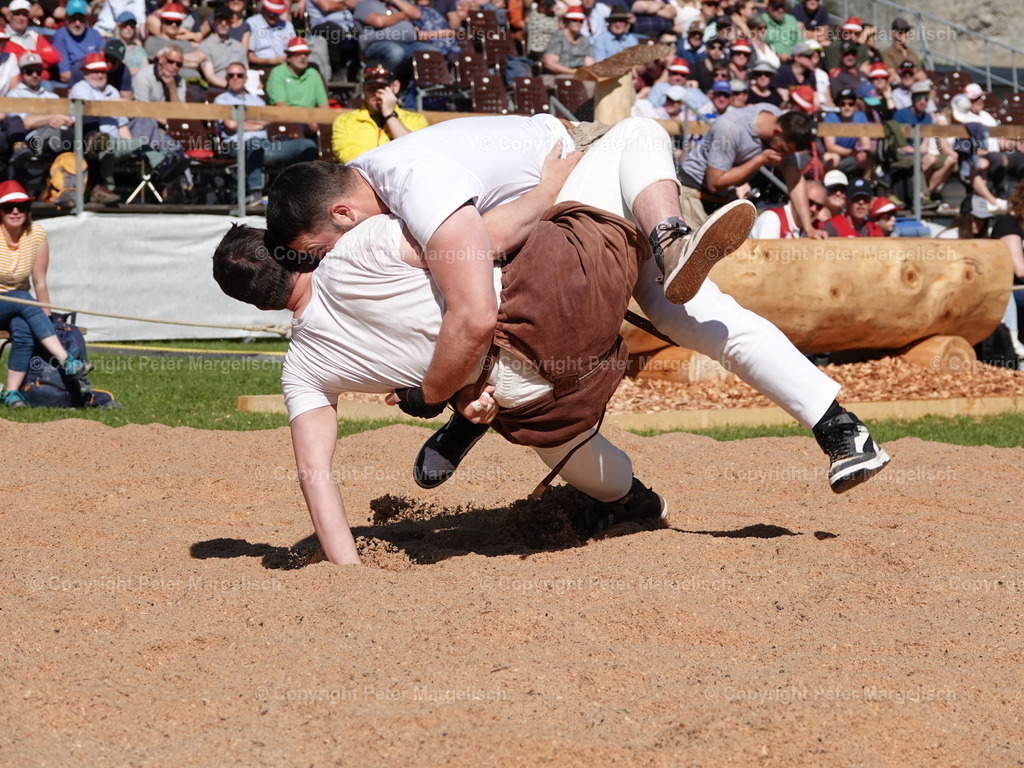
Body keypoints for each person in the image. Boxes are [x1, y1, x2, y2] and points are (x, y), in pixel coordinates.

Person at [264, 115, 889, 494]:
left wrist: (429, 397)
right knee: (684, 314)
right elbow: (481, 269)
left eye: (321, 246)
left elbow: (484, 275)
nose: (328, 260)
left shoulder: (409, 184)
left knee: (643, 147)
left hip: (585, 171)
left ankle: (837, 427)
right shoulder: (384, 198)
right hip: (552, 219)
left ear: (342, 212)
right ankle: (840, 427)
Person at [216, 153, 676, 565]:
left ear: (259, 306)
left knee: (556, 437)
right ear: (294, 255)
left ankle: (635, 501)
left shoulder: (301, 371)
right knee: (623, 144)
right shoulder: (362, 241)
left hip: (521, 392)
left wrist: (347, 569)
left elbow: (315, 477)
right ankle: (673, 243)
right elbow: (482, 238)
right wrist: (546, 188)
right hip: (550, 307)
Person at [0, 181, 92, 408]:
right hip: (11, 302)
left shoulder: (37, 235)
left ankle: (11, 393)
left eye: (21, 206)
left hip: (21, 306)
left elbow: (40, 282)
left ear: (28, 210)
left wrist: (47, 319)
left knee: (23, 328)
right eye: (8, 206)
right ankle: (66, 360)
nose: (15, 211)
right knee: (21, 298)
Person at [678, 105, 826, 241]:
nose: (784, 156)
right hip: (694, 195)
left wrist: (809, 229)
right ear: (777, 132)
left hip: (723, 199)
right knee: (692, 261)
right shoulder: (731, 128)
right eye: (784, 150)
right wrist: (760, 160)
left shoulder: (785, 126)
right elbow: (715, 183)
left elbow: (795, 180)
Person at [69, 53, 188, 204]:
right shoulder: (80, 88)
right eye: (95, 71)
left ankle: (163, 167)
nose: (100, 75)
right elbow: (91, 109)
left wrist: (131, 146)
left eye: (103, 71)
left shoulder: (113, 90)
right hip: (90, 141)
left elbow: (122, 125)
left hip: (116, 139)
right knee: (104, 143)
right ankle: (105, 189)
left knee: (141, 143)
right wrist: (115, 102)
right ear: (85, 73)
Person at [213, 61, 318, 204]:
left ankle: (301, 190)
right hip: (235, 146)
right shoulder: (221, 100)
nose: (235, 78)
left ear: (246, 79)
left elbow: (269, 119)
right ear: (226, 78)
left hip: (265, 145)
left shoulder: (257, 100)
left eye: (239, 75)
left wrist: (246, 123)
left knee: (307, 144)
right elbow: (232, 124)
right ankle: (254, 192)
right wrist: (258, 125)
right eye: (231, 75)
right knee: (254, 144)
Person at [330, 62, 428, 163]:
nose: (377, 94)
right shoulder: (345, 121)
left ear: (395, 87)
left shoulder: (417, 120)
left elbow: (417, 152)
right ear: (363, 90)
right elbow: (351, 159)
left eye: (382, 87)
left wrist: (390, 115)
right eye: (371, 89)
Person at [892, 80, 956, 203]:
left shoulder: (927, 117)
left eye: (926, 98)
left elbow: (925, 144)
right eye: (919, 98)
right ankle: (920, 196)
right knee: (929, 159)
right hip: (903, 155)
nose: (923, 101)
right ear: (912, 99)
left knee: (950, 159)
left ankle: (925, 194)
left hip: (921, 154)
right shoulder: (900, 115)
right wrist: (917, 150)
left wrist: (922, 150)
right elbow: (896, 145)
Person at [8, 51, 73, 159]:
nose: (34, 75)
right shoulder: (14, 94)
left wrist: (63, 119)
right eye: (29, 71)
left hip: (57, 135)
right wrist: (54, 117)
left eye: (38, 71)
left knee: (76, 135)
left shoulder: (52, 96)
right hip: (31, 139)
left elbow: (68, 119)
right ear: (22, 73)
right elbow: (26, 123)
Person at [352, 0, 436, 74]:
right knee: (396, 52)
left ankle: (421, 88)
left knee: (431, 52)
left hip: (409, 44)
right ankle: (389, 82)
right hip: (377, 45)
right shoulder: (365, 4)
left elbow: (416, 14)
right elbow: (378, 22)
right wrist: (403, 15)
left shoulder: (399, 3)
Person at [144, 2, 215, 83]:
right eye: (169, 21)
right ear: (162, 22)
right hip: (174, 84)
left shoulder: (185, 42)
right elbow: (160, 62)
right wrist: (191, 61)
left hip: (198, 83)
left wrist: (171, 60)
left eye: (177, 23)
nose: (174, 25)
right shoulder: (153, 41)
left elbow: (201, 58)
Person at [4, 0, 61, 83]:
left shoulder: (35, 35)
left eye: (25, 14)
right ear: (9, 16)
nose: (21, 17)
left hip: (41, 82)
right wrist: (39, 59)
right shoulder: (2, 36)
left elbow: (54, 57)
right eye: (17, 14)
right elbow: (7, 61)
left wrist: (24, 55)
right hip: (14, 83)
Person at [822, 87, 872, 179]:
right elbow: (830, 147)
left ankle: (866, 186)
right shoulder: (830, 118)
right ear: (838, 105)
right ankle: (829, 187)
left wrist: (864, 152)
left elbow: (866, 143)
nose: (847, 107)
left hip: (851, 153)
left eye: (851, 104)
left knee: (867, 158)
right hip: (835, 154)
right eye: (843, 104)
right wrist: (852, 153)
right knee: (833, 158)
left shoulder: (860, 116)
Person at [264, 36, 328, 108]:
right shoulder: (278, 73)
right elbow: (280, 106)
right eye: (298, 54)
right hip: (284, 117)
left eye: (306, 54)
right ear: (288, 58)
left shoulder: (313, 74)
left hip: (311, 117)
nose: (303, 57)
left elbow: (324, 105)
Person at [52, 0, 105, 84]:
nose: (77, 23)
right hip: (77, 82)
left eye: (81, 19)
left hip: (99, 78)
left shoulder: (94, 34)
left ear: (86, 18)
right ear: (66, 18)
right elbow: (64, 75)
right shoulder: (60, 36)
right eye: (73, 19)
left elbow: (104, 60)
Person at [751, 178, 825, 237]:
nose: (813, 209)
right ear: (797, 198)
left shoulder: (817, 227)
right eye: (810, 202)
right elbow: (765, 253)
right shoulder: (771, 219)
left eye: (819, 206)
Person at [199, 6, 246, 88]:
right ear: (214, 22)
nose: (223, 24)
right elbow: (210, 76)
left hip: (240, 89)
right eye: (220, 20)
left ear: (232, 22)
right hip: (217, 89)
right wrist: (230, 86)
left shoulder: (238, 46)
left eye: (227, 21)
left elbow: (246, 70)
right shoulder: (205, 45)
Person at [542, 6, 594, 76]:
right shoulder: (558, 37)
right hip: (559, 75)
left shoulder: (584, 40)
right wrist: (572, 72)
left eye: (581, 21)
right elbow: (550, 63)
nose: (578, 23)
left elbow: (590, 63)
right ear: (566, 21)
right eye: (574, 20)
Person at [246, 0, 295, 68]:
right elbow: (249, 56)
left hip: (284, 67)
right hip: (260, 66)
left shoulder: (287, 25)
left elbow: (294, 51)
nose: (274, 16)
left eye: (277, 13)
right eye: (271, 13)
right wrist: (271, 61)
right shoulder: (252, 23)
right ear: (263, 9)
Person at [114, 13, 149, 77]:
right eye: (125, 25)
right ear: (119, 26)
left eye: (132, 25)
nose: (128, 28)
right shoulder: (114, 46)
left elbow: (147, 68)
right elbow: (124, 70)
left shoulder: (139, 48)